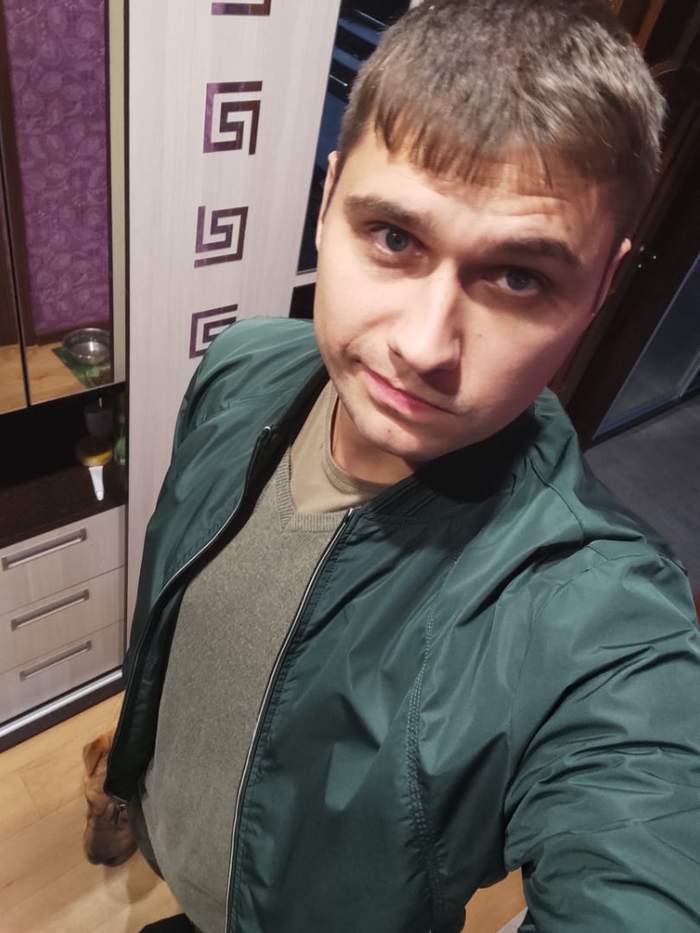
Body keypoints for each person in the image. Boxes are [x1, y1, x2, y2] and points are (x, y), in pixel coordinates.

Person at [105, 1, 700, 931]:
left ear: (601, 290)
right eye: (393, 238)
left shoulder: (598, 612)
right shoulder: (240, 368)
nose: (423, 346)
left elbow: (641, 853)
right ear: (327, 203)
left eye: (519, 277)